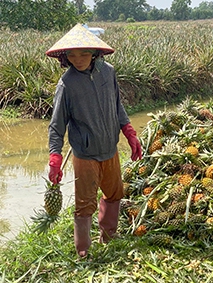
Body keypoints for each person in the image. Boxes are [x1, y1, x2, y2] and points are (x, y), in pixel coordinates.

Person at [45, 23, 142, 258]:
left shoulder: (108, 72)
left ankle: (108, 235)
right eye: (72, 55)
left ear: (95, 53)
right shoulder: (66, 84)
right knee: (85, 204)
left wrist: (129, 132)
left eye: (84, 53)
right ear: (65, 57)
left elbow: (117, 105)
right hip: (85, 154)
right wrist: (55, 157)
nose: (78, 59)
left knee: (114, 193)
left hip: (110, 149)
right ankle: (83, 250)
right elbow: (56, 126)